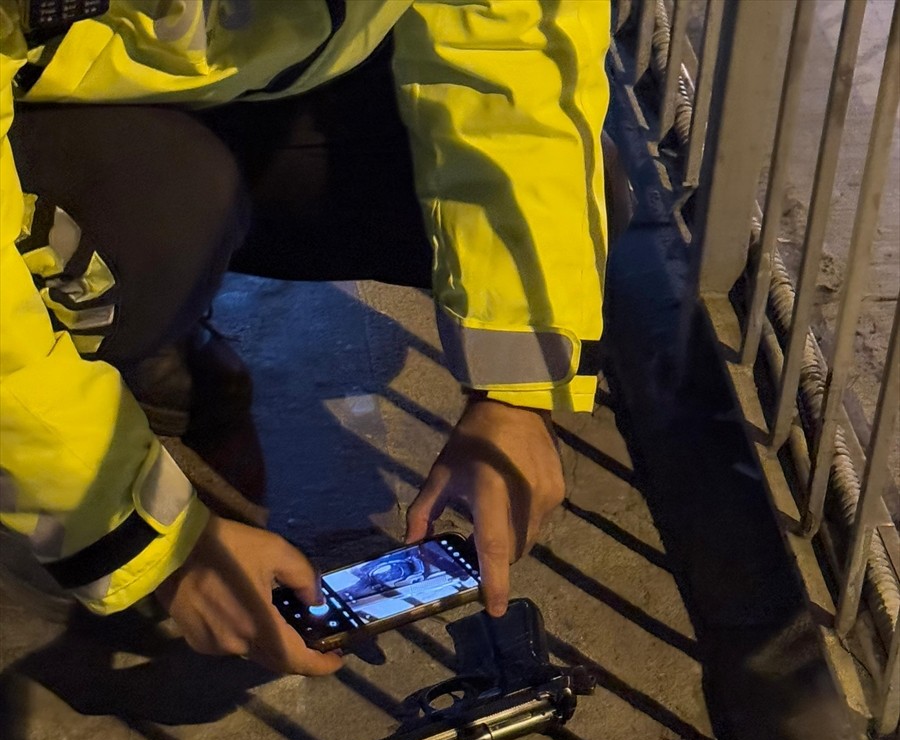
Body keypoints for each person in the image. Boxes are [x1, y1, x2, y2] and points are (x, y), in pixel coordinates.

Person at [0, 0, 615, 677]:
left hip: (261, 72)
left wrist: (512, 395)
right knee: (152, 221)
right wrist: (138, 538)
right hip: (46, 100)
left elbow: (516, 54)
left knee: (583, 186)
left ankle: (154, 308)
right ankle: (70, 423)